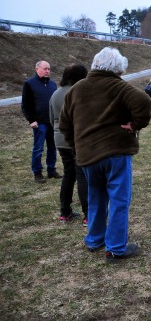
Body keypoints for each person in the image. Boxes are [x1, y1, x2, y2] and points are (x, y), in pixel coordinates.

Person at [60, 47, 151, 263]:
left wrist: (77, 147)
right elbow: (145, 102)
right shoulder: (119, 86)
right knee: (119, 200)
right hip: (115, 154)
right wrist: (135, 124)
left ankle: (94, 239)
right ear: (117, 68)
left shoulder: (76, 89)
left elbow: (65, 125)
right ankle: (116, 248)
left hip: (88, 156)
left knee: (96, 198)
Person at [49, 64, 89, 225]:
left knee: (68, 175)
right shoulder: (79, 92)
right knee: (82, 177)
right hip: (76, 139)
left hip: (60, 139)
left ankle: (65, 213)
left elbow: (52, 118)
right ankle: (88, 215)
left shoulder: (55, 94)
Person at [21, 60, 61, 183]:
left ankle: (51, 170)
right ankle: (37, 173)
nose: (47, 71)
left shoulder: (53, 85)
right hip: (39, 123)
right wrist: (31, 120)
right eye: (45, 69)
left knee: (52, 147)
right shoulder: (29, 84)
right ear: (37, 69)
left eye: (49, 69)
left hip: (51, 122)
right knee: (38, 148)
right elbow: (25, 104)